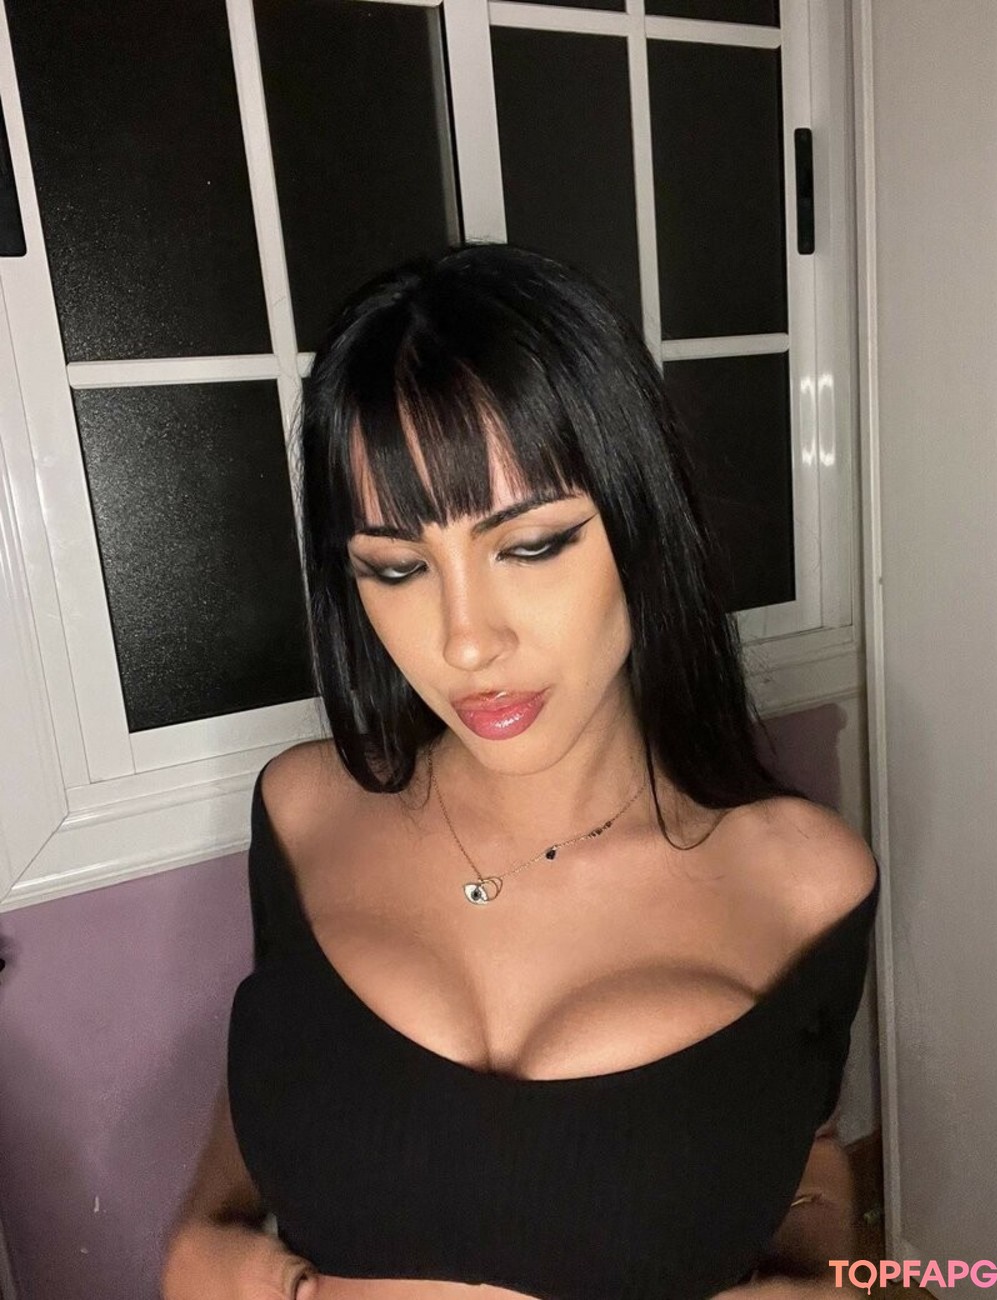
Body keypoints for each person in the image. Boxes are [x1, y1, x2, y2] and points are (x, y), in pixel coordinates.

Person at [161, 243, 879, 1300]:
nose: (464, 641)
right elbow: (280, 1072)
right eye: (396, 567)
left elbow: (806, 1151)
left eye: (531, 546)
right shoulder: (302, 812)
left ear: (643, 521)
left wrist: (829, 1282)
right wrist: (223, 1252)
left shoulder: (808, 883)